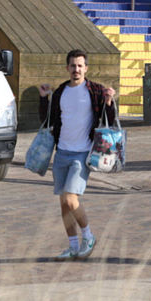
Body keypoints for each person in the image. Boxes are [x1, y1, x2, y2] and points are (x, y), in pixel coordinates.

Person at [39, 49, 116, 261]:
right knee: (64, 203)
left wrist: (109, 103)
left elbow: (106, 119)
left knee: (72, 200)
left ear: (86, 68)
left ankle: (88, 237)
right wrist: (44, 98)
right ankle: (73, 246)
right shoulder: (61, 92)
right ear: (67, 68)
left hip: (82, 154)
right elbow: (48, 119)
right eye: (73, 65)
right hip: (62, 152)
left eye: (80, 65)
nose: (76, 69)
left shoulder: (95, 91)